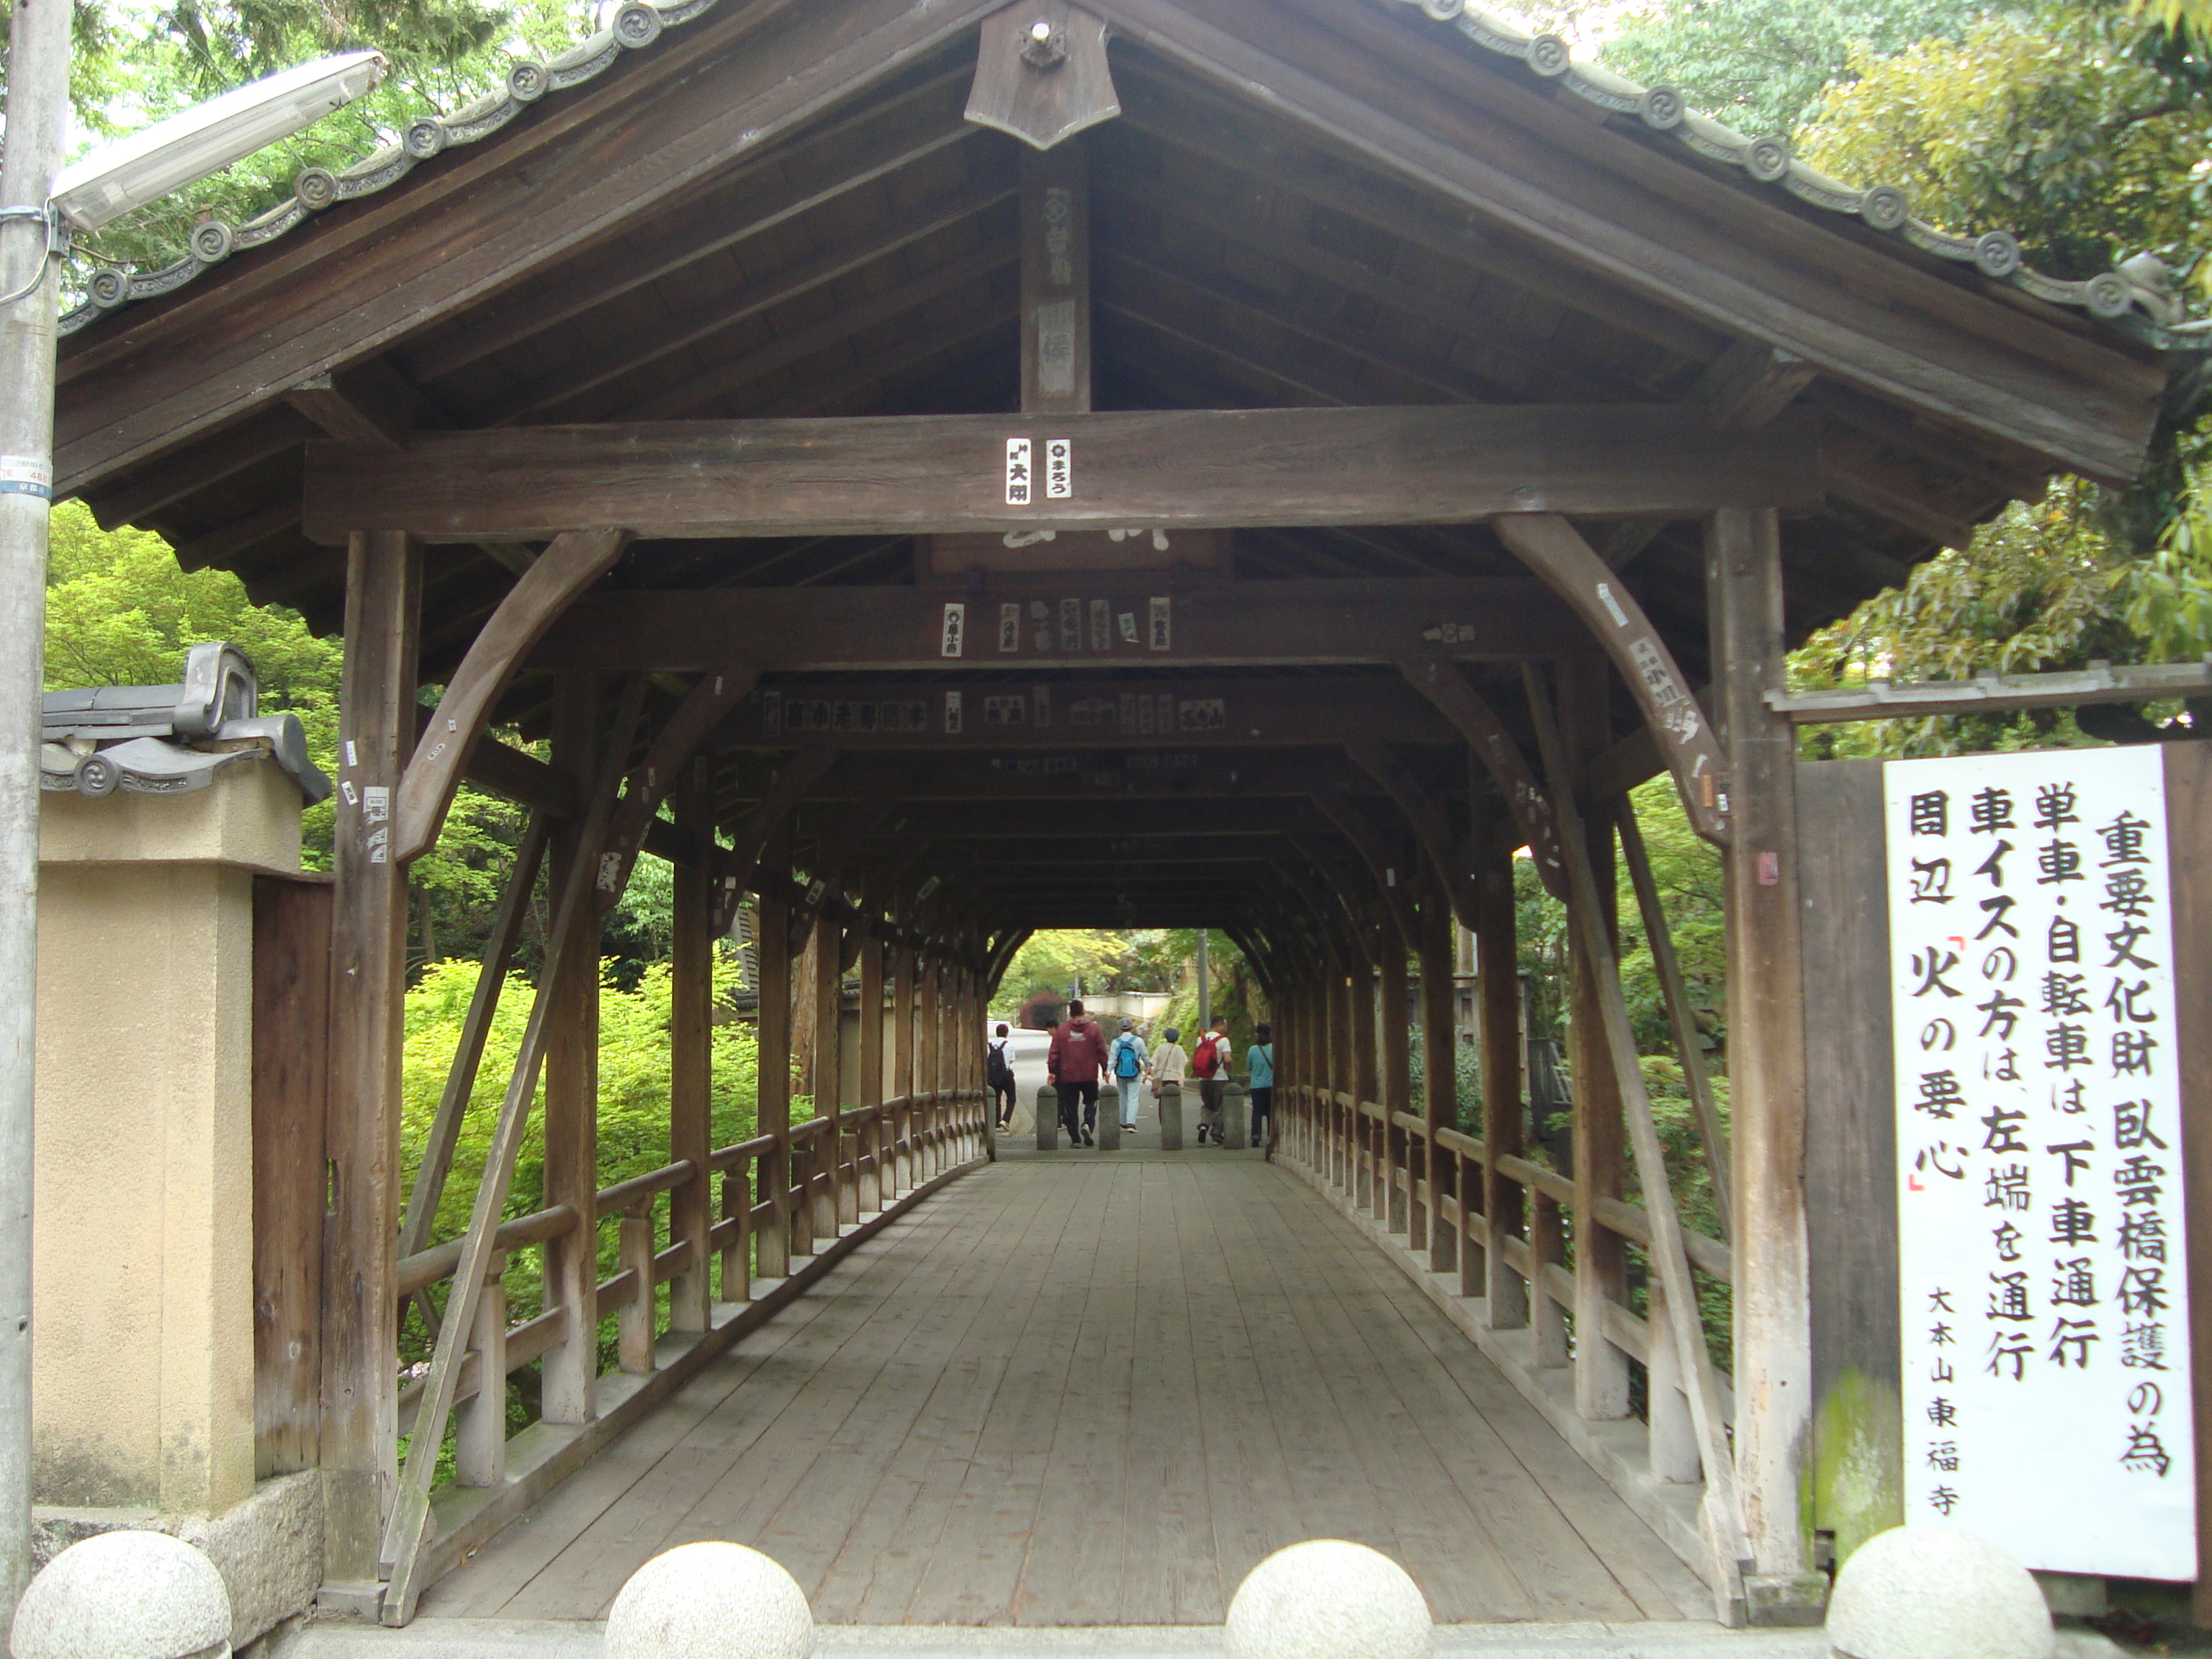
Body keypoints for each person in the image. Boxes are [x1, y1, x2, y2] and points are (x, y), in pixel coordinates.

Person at [1048, 999, 1107, 1147]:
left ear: (1070, 1012)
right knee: (1091, 1101)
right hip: (1089, 1073)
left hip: (1067, 1075)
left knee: (1070, 1106)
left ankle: (1075, 1139)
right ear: (1083, 1011)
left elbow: (1054, 1053)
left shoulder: (1061, 1030)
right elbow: (1101, 1050)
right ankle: (1087, 1124)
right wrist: (1105, 1068)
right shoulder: (1094, 1029)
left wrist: (1052, 1071)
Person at [1107, 1017, 1148, 1133]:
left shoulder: (1116, 1042)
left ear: (1120, 1028)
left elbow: (1113, 1058)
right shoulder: (1138, 1041)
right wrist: (1148, 1066)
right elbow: (1145, 1056)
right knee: (1133, 1098)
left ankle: (1122, 1122)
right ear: (1132, 1027)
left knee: (1122, 1096)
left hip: (1121, 1073)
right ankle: (1131, 1123)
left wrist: (1108, 1071)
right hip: (1135, 1072)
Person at [1192, 1020, 1231, 1144]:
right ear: (1219, 1025)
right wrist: (1228, 1068)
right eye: (1224, 1025)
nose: (1225, 1028)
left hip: (1204, 1078)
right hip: (1219, 1078)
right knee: (1220, 1106)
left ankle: (1204, 1124)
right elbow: (1228, 1059)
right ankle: (1217, 1135)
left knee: (1207, 1104)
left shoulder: (1201, 1039)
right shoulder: (1223, 1040)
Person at [1148, 1025, 1189, 1141]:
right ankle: (1174, 1124)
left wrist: (1150, 1074)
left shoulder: (1160, 1048)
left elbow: (1153, 1063)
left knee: (1162, 1103)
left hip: (1162, 1079)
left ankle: (1164, 1124)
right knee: (1175, 1102)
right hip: (1174, 1078)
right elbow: (1184, 1063)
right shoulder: (1179, 1049)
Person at [1245, 1022, 1275, 1149]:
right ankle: (1271, 1135)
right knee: (1270, 1111)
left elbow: (1249, 1067)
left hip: (1256, 1086)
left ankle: (1256, 1136)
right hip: (1271, 1085)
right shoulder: (1274, 1049)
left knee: (1257, 1112)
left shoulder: (1253, 1050)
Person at [986, 1022, 1017, 1128]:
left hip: (993, 1076)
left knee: (996, 1099)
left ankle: (996, 1122)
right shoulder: (1009, 1045)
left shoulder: (989, 1046)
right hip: (1007, 1075)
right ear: (1006, 1033)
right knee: (1011, 1098)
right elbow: (1012, 1060)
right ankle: (1005, 1120)